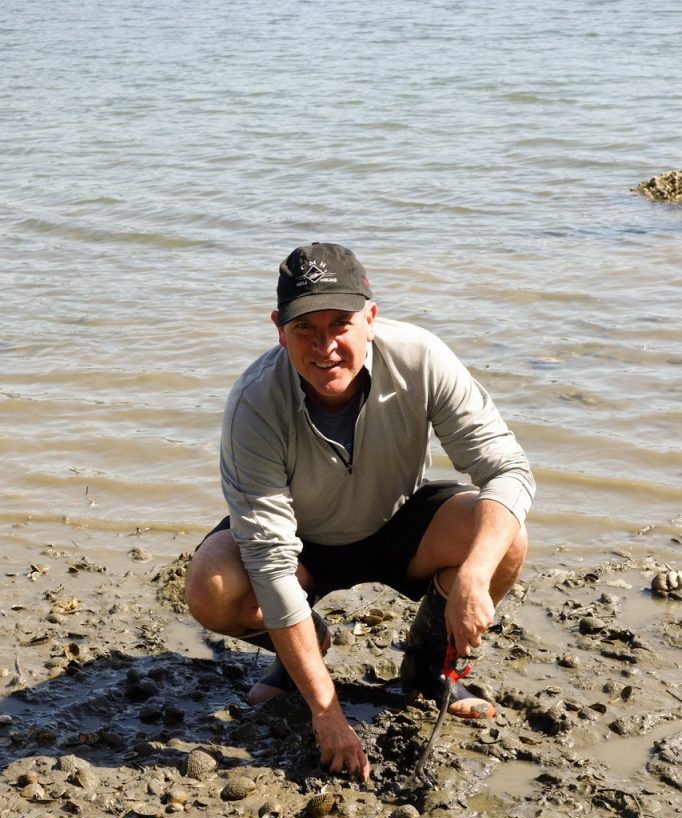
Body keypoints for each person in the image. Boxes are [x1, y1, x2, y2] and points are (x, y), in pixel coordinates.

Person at [185, 242, 535, 783]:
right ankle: (303, 649)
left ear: (370, 318)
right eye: (305, 328)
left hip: (397, 524)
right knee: (210, 586)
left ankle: (427, 665)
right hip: (300, 543)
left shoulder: (421, 357)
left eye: (340, 324)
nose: (325, 346)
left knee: (504, 542)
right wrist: (327, 715)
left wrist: (471, 577)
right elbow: (272, 564)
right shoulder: (255, 402)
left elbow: (510, 471)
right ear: (279, 329)